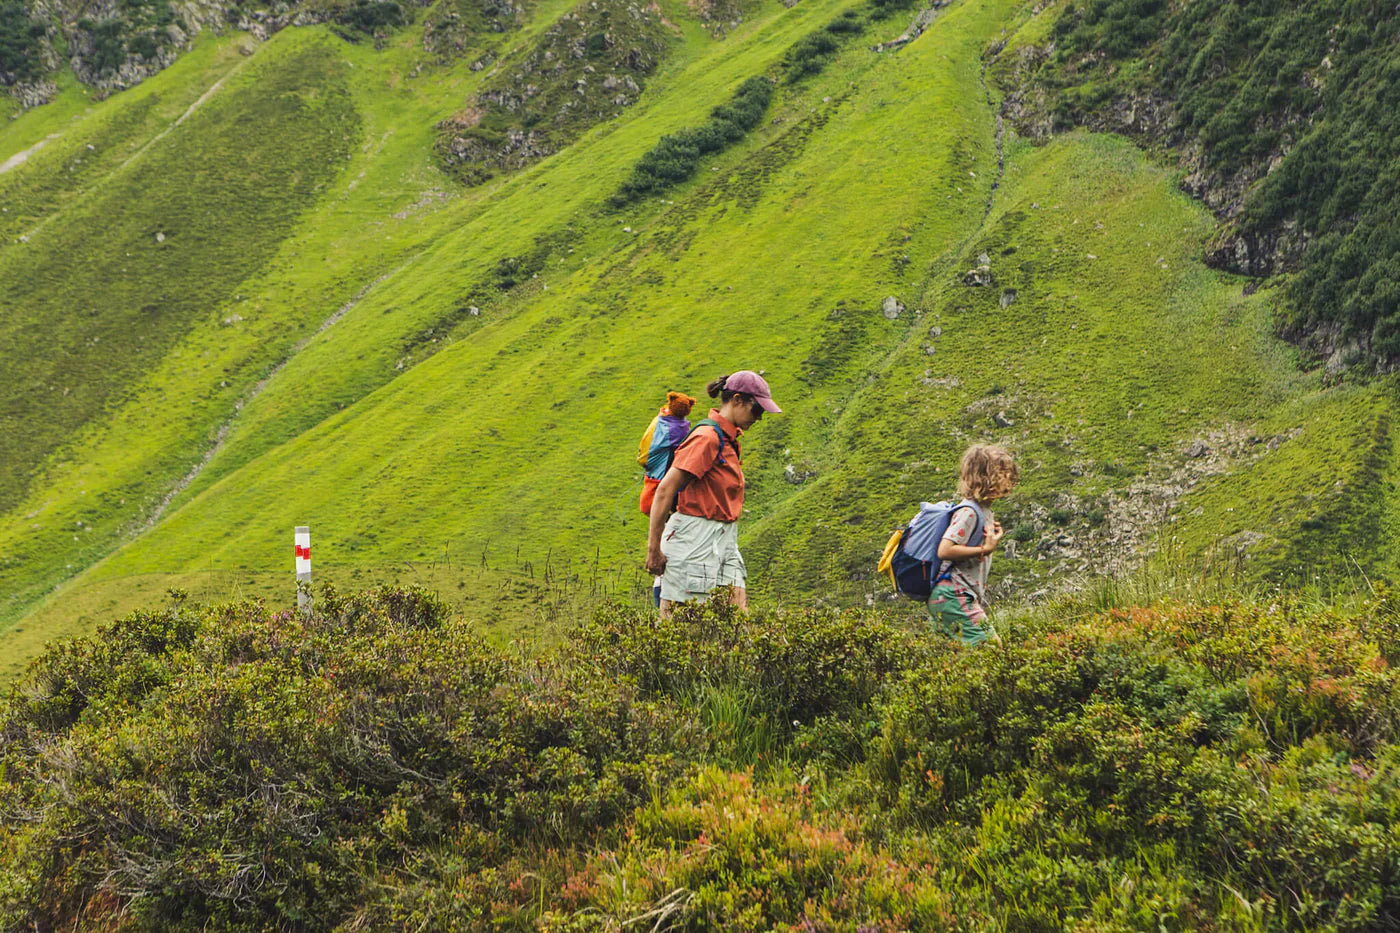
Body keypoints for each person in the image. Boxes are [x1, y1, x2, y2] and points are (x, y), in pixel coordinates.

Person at [643, 371, 781, 619]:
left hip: (724, 537)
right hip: (695, 537)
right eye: (757, 410)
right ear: (737, 400)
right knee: (684, 624)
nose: (758, 418)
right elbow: (665, 490)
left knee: (737, 621)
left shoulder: (728, 440)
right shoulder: (707, 438)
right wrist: (654, 548)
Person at [930, 444, 1018, 646]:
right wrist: (984, 549)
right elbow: (945, 550)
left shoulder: (984, 511)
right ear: (986, 478)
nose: (1011, 479)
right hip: (954, 592)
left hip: (956, 594)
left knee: (958, 654)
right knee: (991, 648)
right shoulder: (969, 511)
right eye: (1004, 474)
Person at [637, 391, 697, 606]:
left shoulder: (661, 421)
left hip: (653, 485)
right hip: (665, 494)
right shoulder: (682, 429)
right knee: (669, 545)